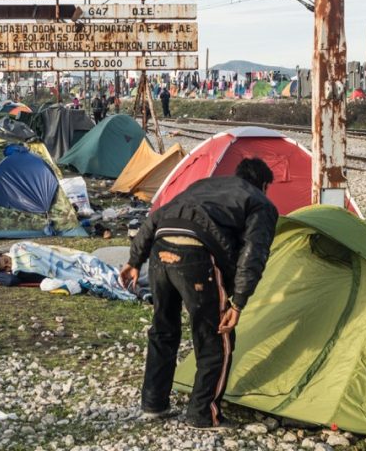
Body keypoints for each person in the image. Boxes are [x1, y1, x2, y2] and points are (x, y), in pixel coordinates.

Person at [119, 158, 278, 430]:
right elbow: (253, 254)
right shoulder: (259, 202)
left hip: (160, 250)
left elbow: (156, 215)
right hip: (196, 257)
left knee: (163, 329)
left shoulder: (204, 185)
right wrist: (238, 303)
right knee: (215, 337)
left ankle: (153, 405)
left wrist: (134, 261)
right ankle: (203, 414)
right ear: (263, 185)